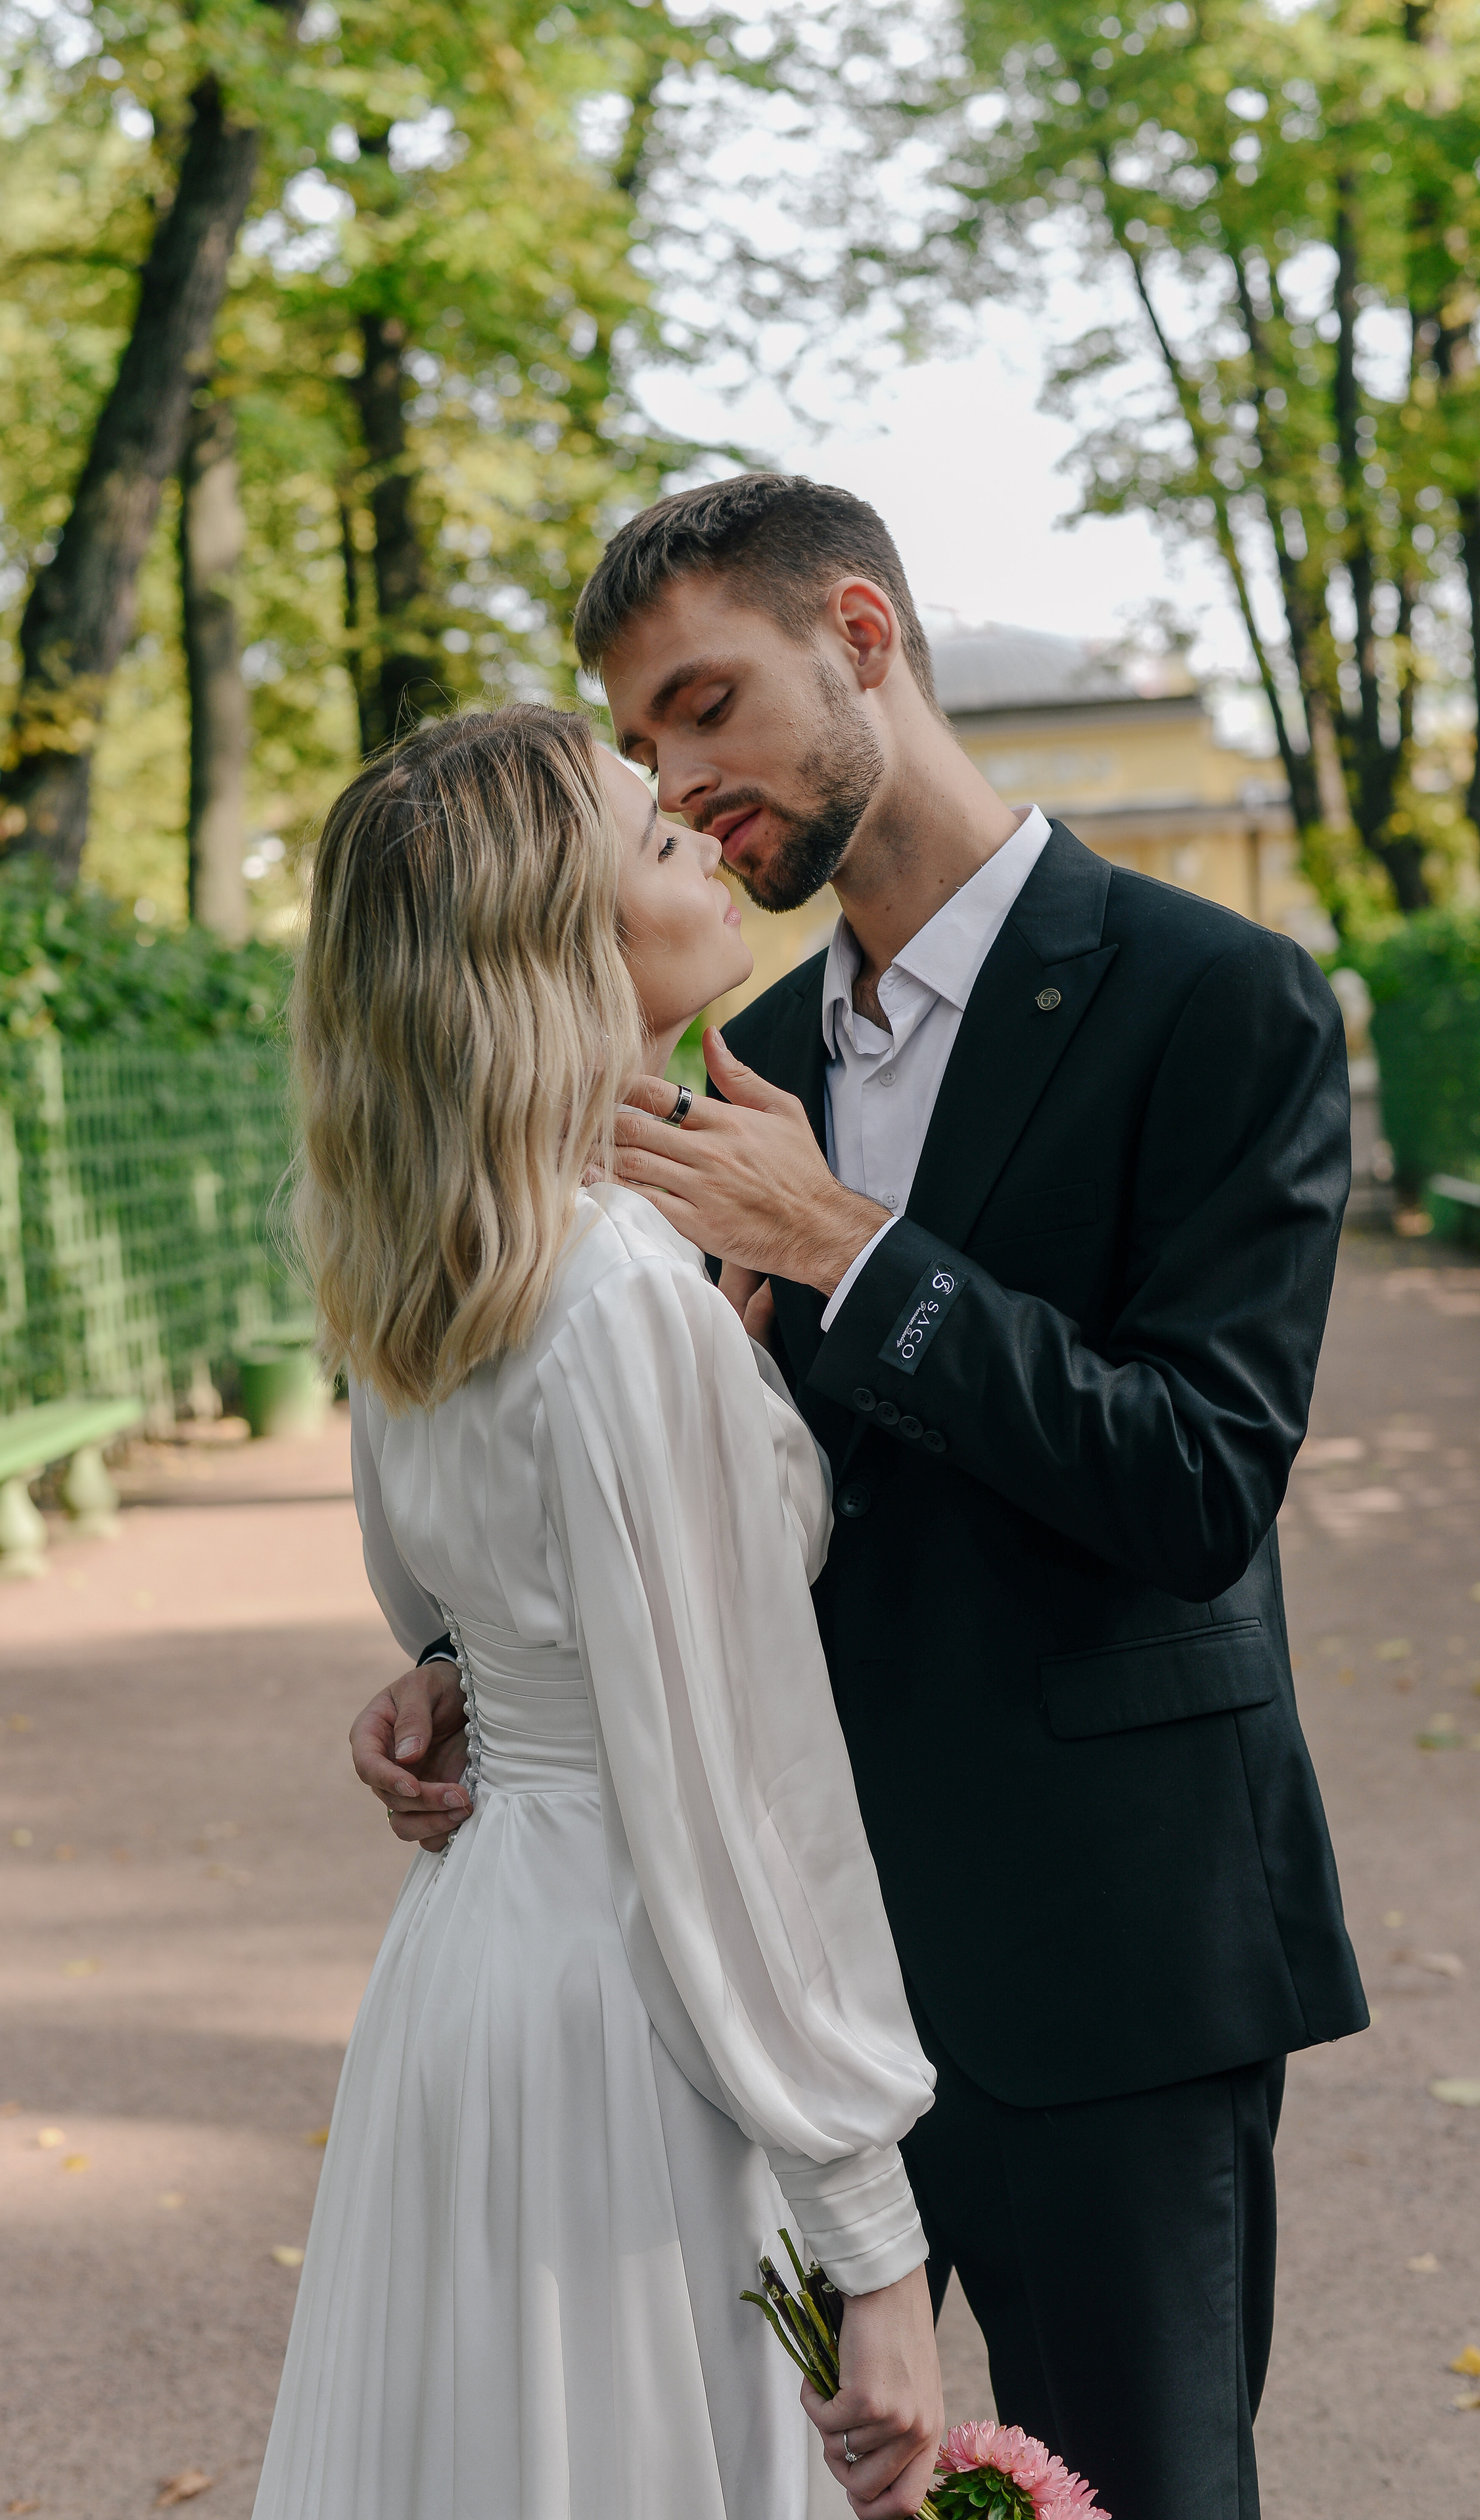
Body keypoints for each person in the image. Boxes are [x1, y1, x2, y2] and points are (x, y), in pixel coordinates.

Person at [359, 477, 1368, 2520]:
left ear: (866, 640)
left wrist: (860, 1255)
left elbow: (1198, 1485)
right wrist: (486, 1655)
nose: (682, 780)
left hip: (1105, 1960)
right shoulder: (722, 1039)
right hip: (757, 1997)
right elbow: (634, 1460)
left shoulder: (1217, 1000)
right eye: (643, 750)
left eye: (708, 706)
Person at [253, 703, 942, 2520]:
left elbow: (457, 1612)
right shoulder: (616, 1291)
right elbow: (733, 1796)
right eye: (653, 840)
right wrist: (872, 2244)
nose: (705, 844)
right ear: (554, 947)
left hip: (480, 1972)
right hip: (640, 1992)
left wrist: (453, 1677)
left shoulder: (437, 1266)